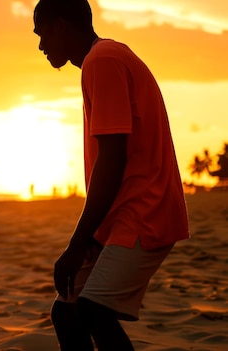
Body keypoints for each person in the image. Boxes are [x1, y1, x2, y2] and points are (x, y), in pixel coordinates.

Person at [32, 1, 190, 350]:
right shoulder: (102, 59)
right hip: (120, 216)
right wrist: (94, 231)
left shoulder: (102, 60)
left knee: (93, 311)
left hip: (144, 211)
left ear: (60, 26)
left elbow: (113, 158)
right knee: (67, 312)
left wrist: (77, 243)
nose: (41, 46)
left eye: (41, 34)